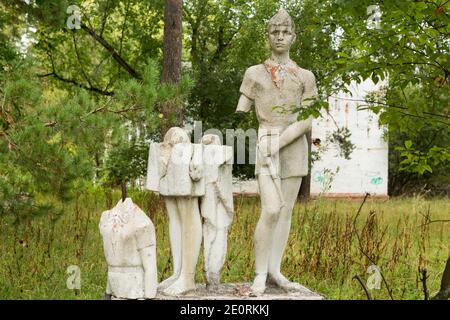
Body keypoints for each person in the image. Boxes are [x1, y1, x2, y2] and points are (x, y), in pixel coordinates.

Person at [236, 9, 318, 295]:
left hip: (292, 143)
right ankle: (259, 273)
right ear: (268, 36)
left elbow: (307, 119)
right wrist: (268, 142)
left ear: (294, 36)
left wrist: (280, 142)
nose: (280, 37)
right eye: (275, 32)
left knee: (286, 212)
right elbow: (243, 108)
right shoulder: (254, 73)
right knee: (270, 209)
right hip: (266, 138)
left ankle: (274, 271)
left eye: (285, 32)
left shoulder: (305, 76)